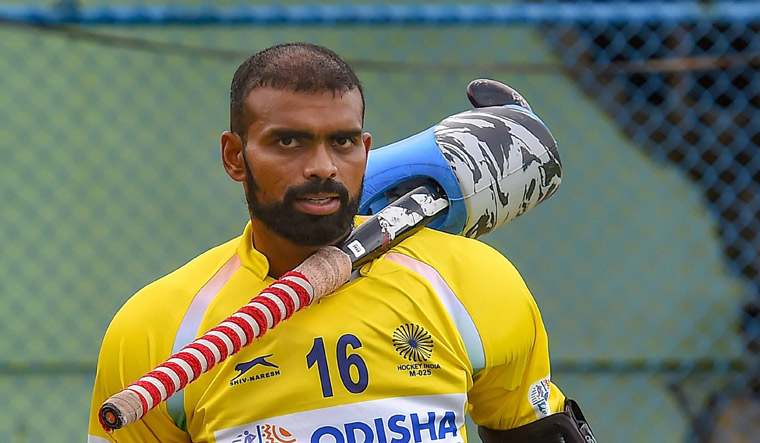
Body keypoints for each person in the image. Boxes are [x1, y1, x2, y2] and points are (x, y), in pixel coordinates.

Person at [88, 42, 582, 443]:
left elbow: (534, 431)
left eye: (342, 141)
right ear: (235, 156)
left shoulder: (473, 282)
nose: (322, 167)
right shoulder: (158, 329)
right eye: (289, 142)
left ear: (365, 150)